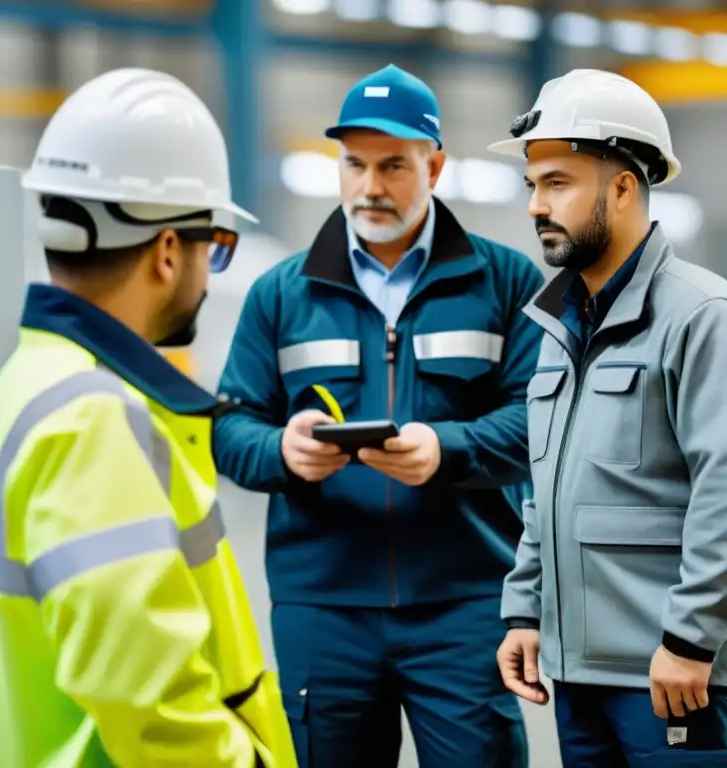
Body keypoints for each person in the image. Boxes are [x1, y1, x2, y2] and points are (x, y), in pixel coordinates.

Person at [0, 67, 297, 768]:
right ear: (168, 251)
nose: (209, 271)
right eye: (214, 246)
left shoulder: (26, 384)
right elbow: (152, 702)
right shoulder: (91, 421)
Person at [213, 63, 544, 768]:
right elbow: (231, 426)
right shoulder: (280, 293)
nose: (370, 186)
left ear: (436, 166)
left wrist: (446, 448)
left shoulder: (507, 282)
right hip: (323, 607)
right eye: (354, 164)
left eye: (394, 165)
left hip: (463, 603)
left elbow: (539, 423)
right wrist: (283, 452)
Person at [492, 68, 727, 767]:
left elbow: (723, 489)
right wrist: (526, 609)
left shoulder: (701, 317)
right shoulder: (560, 326)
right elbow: (548, 488)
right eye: (532, 184)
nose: (537, 204)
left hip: (674, 679)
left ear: (623, 186)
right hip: (579, 675)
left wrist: (690, 639)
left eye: (558, 183)